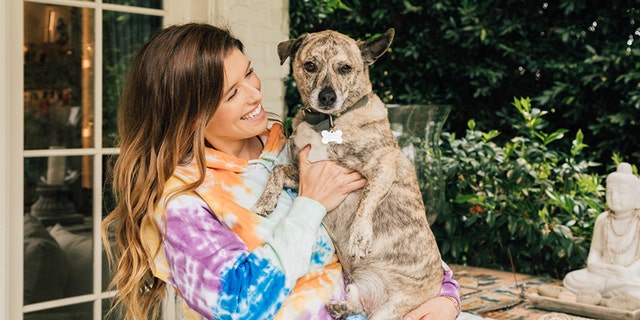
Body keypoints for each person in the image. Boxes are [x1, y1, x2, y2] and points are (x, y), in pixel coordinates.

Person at [101, 22, 461, 320]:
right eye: (231, 94)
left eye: (250, 73)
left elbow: (401, 236)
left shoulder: (287, 145)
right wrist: (310, 204)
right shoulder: (184, 204)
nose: (255, 95)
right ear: (190, 115)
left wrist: (446, 296)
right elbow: (239, 304)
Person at [563, 162, 640, 297]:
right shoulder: (603, 219)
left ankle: (617, 291)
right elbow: (594, 257)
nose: (614, 197)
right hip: (603, 275)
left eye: (621, 192)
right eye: (609, 192)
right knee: (571, 279)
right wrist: (604, 269)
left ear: (636, 196)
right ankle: (615, 291)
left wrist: (627, 272)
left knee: (633, 289)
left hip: (631, 277)